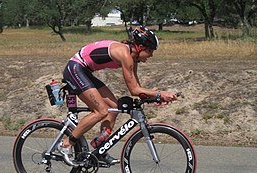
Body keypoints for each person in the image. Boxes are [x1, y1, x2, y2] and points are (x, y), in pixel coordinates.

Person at [59, 26, 178, 165]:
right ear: (140, 47)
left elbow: (137, 87)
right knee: (101, 111)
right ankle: (66, 144)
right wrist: (160, 93)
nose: (151, 55)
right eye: (150, 51)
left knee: (113, 107)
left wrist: (152, 97)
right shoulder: (125, 55)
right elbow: (134, 90)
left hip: (84, 71)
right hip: (75, 69)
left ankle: (100, 148)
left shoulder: (133, 58)